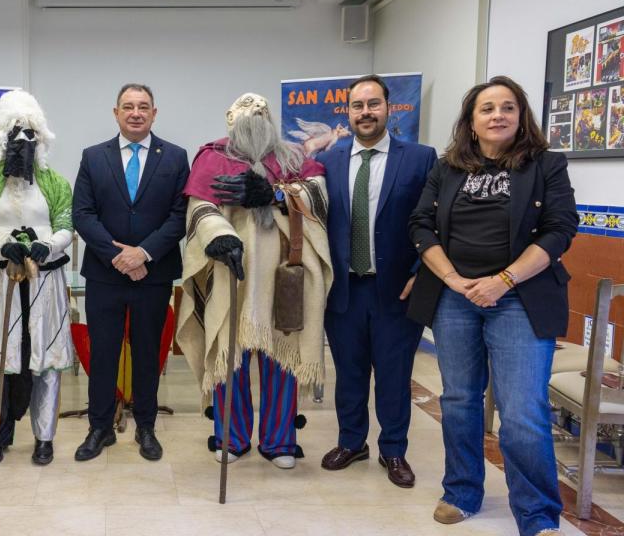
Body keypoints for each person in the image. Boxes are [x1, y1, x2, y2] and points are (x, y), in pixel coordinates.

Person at [407, 76, 577, 536]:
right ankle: (462, 492)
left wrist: (502, 281)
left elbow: (560, 230)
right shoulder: (447, 168)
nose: (497, 115)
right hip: (454, 298)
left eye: (507, 107)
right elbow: (421, 224)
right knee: (459, 401)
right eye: (487, 108)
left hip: (520, 298)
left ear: (521, 116)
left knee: (522, 411)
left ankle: (538, 514)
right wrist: (455, 280)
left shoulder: (546, 165)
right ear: (471, 120)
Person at [176, 93, 332, 469]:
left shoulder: (293, 158)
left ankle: (280, 441)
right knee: (231, 355)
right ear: (231, 123)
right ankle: (232, 436)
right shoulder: (213, 158)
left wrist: (277, 192)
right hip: (233, 270)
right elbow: (201, 207)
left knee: (284, 357)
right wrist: (218, 236)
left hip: (285, 272)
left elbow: (318, 195)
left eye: (260, 119)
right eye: (246, 121)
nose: (254, 127)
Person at [316, 74, 437, 488]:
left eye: (373, 104)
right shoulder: (328, 161)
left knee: (393, 374)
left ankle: (393, 450)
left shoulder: (420, 159)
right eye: (357, 106)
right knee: (348, 373)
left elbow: (438, 222)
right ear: (347, 112)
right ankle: (352, 442)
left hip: (396, 288)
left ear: (389, 107)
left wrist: (422, 273)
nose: (365, 112)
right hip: (344, 289)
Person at [72, 83, 190, 462]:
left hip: (153, 275)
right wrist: (118, 257)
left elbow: (179, 216)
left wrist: (144, 254)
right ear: (116, 113)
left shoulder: (175, 157)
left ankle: (146, 426)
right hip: (105, 275)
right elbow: (83, 214)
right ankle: (100, 428)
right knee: (103, 352)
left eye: (143, 106)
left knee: (147, 353)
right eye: (128, 106)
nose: (135, 112)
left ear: (154, 113)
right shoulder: (94, 157)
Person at [0, 90, 75, 466]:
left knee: (44, 360)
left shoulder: (56, 183)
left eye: (30, 133)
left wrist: (48, 245)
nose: (23, 141)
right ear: (2, 139)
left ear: (41, 138)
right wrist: (1, 248)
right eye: (16, 133)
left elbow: (65, 227)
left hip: (45, 285)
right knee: (1, 360)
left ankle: (44, 437)